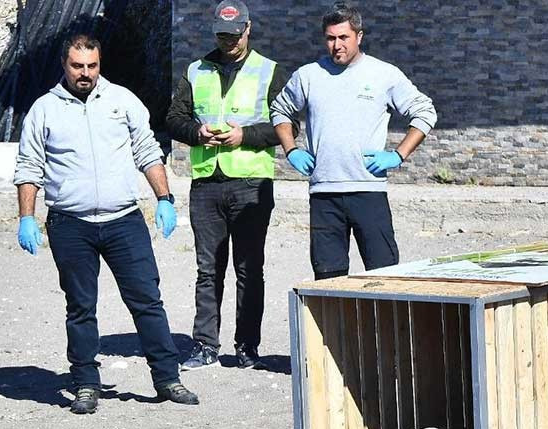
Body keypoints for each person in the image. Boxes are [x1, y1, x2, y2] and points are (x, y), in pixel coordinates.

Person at [13, 34, 199, 413]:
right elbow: (29, 165)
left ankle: (168, 378)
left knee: (147, 301)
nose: (85, 73)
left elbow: (147, 149)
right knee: (81, 306)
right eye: (78, 66)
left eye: (92, 66)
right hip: (70, 223)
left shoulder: (122, 101)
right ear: (64, 66)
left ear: (100, 64)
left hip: (123, 221)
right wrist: (26, 217)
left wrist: (164, 199)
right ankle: (84, 383)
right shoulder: (44, 110)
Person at [270, 2, 437, 279]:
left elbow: (425, 111)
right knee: (328, 280)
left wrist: (398, 155)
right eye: (331, 38)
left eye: (344, 37)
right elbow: (280, 110)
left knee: (385, 276)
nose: (337, 45)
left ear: (359, 36)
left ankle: (383, 325)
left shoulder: (384, 74)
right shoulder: (308, 76)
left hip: (368, 190)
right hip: (324, 194)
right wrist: (291, 150)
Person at [166, 0, 288, 371]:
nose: (229, 41)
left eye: (234, 35)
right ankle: (205, 345)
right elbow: (174, 118)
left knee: (250, 270)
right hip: (207, 183)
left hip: (251, 183)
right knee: (208, 269)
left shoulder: (270, 72)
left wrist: (245, 135)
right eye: (222, 35)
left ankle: (247, 347)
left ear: (248, 29)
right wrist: (196, 132)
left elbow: (287, 128)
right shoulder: (195, 70)